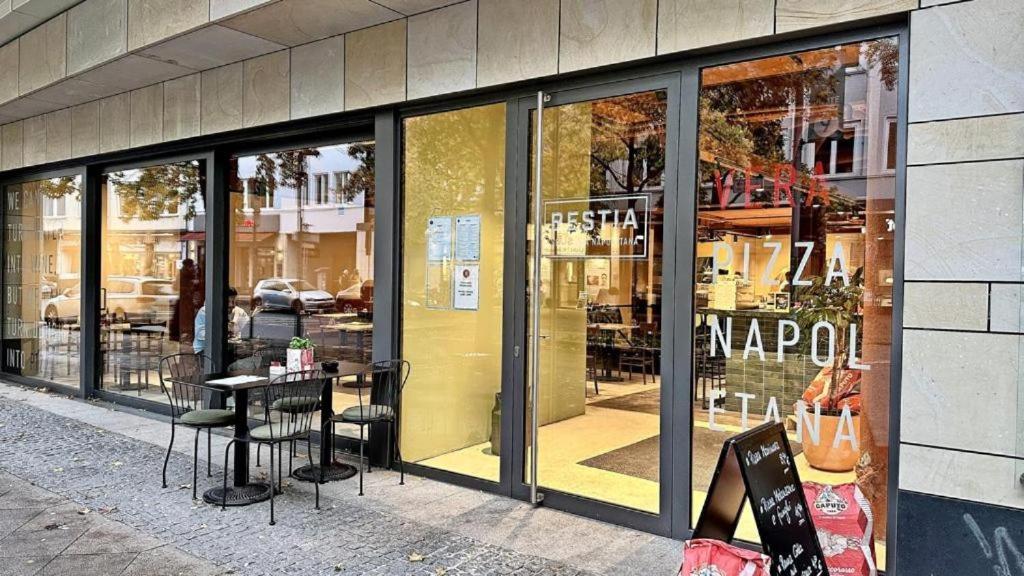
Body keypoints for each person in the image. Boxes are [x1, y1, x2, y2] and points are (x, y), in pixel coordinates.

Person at [194, 288, 251, 353]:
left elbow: (248, 329)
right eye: (227, 302)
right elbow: (201, 336)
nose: (231, 305)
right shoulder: (205, 312)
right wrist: (224, 331)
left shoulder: (239, 311)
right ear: (219, 300)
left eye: (234, 302)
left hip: (231, 348)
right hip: (206, 350)